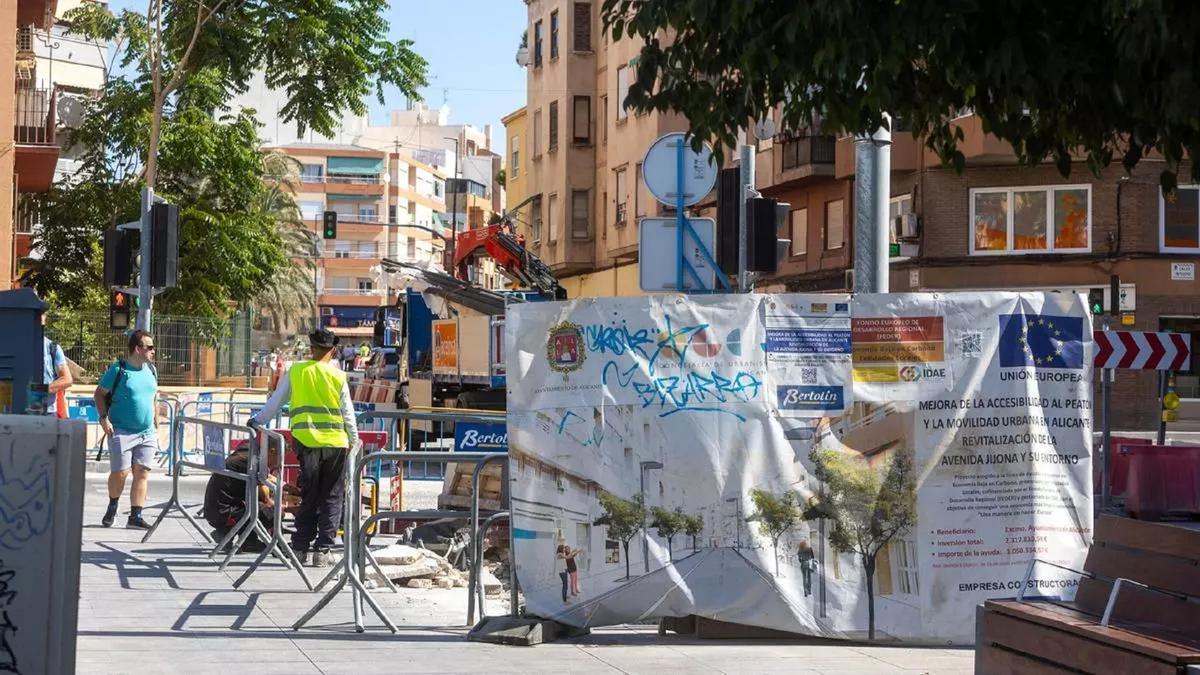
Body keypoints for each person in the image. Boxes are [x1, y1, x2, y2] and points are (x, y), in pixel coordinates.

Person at [251, 329, 358, 567]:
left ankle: (300, 547)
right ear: (333, 350)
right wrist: (354, 440)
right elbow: (348, 414)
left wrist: (257, 421)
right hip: (336, 444)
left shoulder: (296, 372)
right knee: (332, 497)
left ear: (311, 348)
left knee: (309, 495)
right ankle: (323, 551)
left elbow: (275, 402)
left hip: (307, 443)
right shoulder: (338, 376)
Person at [94, 330, 159, 529]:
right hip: (121, 430)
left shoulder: (152, 371)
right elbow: (99, 394)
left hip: (146, 432)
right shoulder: (119, 369)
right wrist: (104, 418)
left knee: (142, 473)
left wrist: (156, 422)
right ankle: (113, 505)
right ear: (138, 349)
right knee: (120, 473)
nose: (153, 351)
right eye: (150, 347)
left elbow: (153, 397)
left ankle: (135, 516)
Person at [203, 438, 299, 552]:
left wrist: (285, 486)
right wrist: (289, 509)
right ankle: (277, 544)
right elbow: (266, 499)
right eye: (279, 458)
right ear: (271, 451)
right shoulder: (253, 463)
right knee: (271, 513)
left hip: (217, 507)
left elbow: (266, 478)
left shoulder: (250, 450)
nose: (278, 463)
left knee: (257, 504)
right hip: (223, 512)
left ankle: (248, 541)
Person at [42, 317, 72, 417]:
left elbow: (67, 379)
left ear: (44, 319)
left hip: (48, 412)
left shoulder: (52, 347)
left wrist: (40, 390)